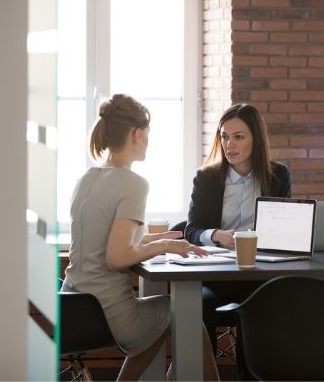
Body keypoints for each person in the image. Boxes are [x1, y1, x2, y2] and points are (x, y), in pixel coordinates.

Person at [62, 94, 219, 381]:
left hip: (79, 305)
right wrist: (165, 244)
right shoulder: (133, 183)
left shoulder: (86, 178)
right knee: (186, 317)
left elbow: (101, 244)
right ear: (137, 133)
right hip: (111, 312)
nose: (148, 140)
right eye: (147, 133)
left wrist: (147, 242)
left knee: (168, 321)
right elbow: (116, 257)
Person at [184, 103, 291, 378]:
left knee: (273, 301)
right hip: (216, 274)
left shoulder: (278, 175)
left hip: (259, 274)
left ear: (256, 138)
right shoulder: (206, 178)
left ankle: (253, 375)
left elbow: (285, 227)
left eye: (239, 136)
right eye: (224, 136)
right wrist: (216, 235)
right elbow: (191, 230)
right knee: (199, 301)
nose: (229, 144)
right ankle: (202, 376)